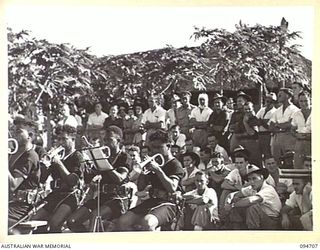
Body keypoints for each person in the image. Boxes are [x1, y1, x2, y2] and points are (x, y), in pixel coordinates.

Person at [66, 125, 132, 232]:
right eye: (104, 140)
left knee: (95, 216)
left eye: (109, 140)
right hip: (102, 197)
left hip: (118, 199)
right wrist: (88, 162)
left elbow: (120, 179)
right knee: (72, 221)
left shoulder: (124, 157)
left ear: (118, 140)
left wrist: (105, 163)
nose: (106, 143)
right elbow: (89, 178)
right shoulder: (103, 156)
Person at [116, 129, 184, 231]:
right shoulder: (154, 162)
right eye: (153, 148)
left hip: (169, 203)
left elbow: (172, 188)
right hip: (153, 200)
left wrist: (157, 170)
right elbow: (140, 188)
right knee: (123, 221)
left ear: (168, 146)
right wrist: (143, 172)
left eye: (159, 147)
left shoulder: (175, 164)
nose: (155, 151)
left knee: (147, 223)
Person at [31, 125, 85, 233]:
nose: (61, 142)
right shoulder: (58, 155)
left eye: (64, 139)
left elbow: (72, 181)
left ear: (73, 139)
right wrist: (45, 165)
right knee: (35, 220)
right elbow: (41, 179)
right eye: (59, 139)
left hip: (71, 195)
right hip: (55, 194)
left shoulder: (77, 156)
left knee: (55, 223)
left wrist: (59, 163)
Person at [225, 164, 281, 230]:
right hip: (259, 218)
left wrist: (232, 205)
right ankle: (237, 229)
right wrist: (228, 202)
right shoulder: (252, 188)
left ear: (262, 177)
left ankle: (253, 233)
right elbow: (234, 195)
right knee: (236, 200)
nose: (251, 182)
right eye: (249, 179)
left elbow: (251, 200)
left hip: (271, 220)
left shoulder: (268, 189)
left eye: (254, 178)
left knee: (252, 207)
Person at [8, 128, 41, 234]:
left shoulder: (30, 156)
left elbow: (13, 185)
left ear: (29, 137)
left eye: (19, 131)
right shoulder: (13, 154)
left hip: (21, 207)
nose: (14, 133)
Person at [269, 88, 299, 165]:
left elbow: (290, 124)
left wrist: (277, 125)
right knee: (276, 161)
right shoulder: (277, 111)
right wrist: (281, 126)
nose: (278, 96)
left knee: (289, 161)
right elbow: (271, 126)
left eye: (280, 94)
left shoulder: (295, 110)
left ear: (288, 96)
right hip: (277, 139)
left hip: (289, 138)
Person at [291, 91, 311, 169]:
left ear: (310, 100)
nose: (303, 103)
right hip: (300, 143)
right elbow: (292, 129)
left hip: (313, 142)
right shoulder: (296, 114)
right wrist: (296, 135)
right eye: (301, 101)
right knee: (298, 166)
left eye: (306, 101)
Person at [240, 101, 262, 166]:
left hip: (254, 143)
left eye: (249, 109)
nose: (247, 111)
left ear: (252, 109)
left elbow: (252, 133)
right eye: (245, 109)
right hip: (245, 143)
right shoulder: (244, 117)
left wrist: (245, 123)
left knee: (255, 164)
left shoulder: (254, 119)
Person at [256, 92, 277, 158]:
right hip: (259, 134)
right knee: (258, 153)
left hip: (268, 135)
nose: (268, 103)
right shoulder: (262, 110)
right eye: (267, 101)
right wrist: (263, 121)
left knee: (267, 153)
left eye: (271, 102)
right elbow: (254, 121)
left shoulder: (275, 112)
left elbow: (269, 126)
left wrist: (261, 121)